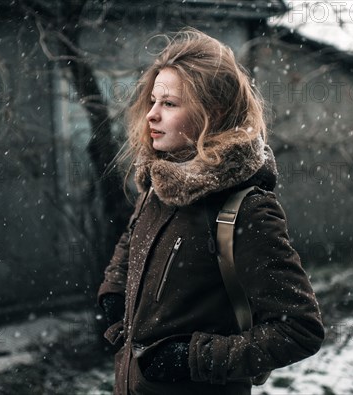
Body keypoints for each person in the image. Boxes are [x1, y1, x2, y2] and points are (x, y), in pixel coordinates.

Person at [97, 28, 324, 395]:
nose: (151, 115)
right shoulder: (160, 184)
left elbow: (299, 329)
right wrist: (112, 294)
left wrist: (191, 359)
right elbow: (131, 243)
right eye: (153, 101)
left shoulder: (246, 209)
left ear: (211, 113)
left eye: (169, 104)